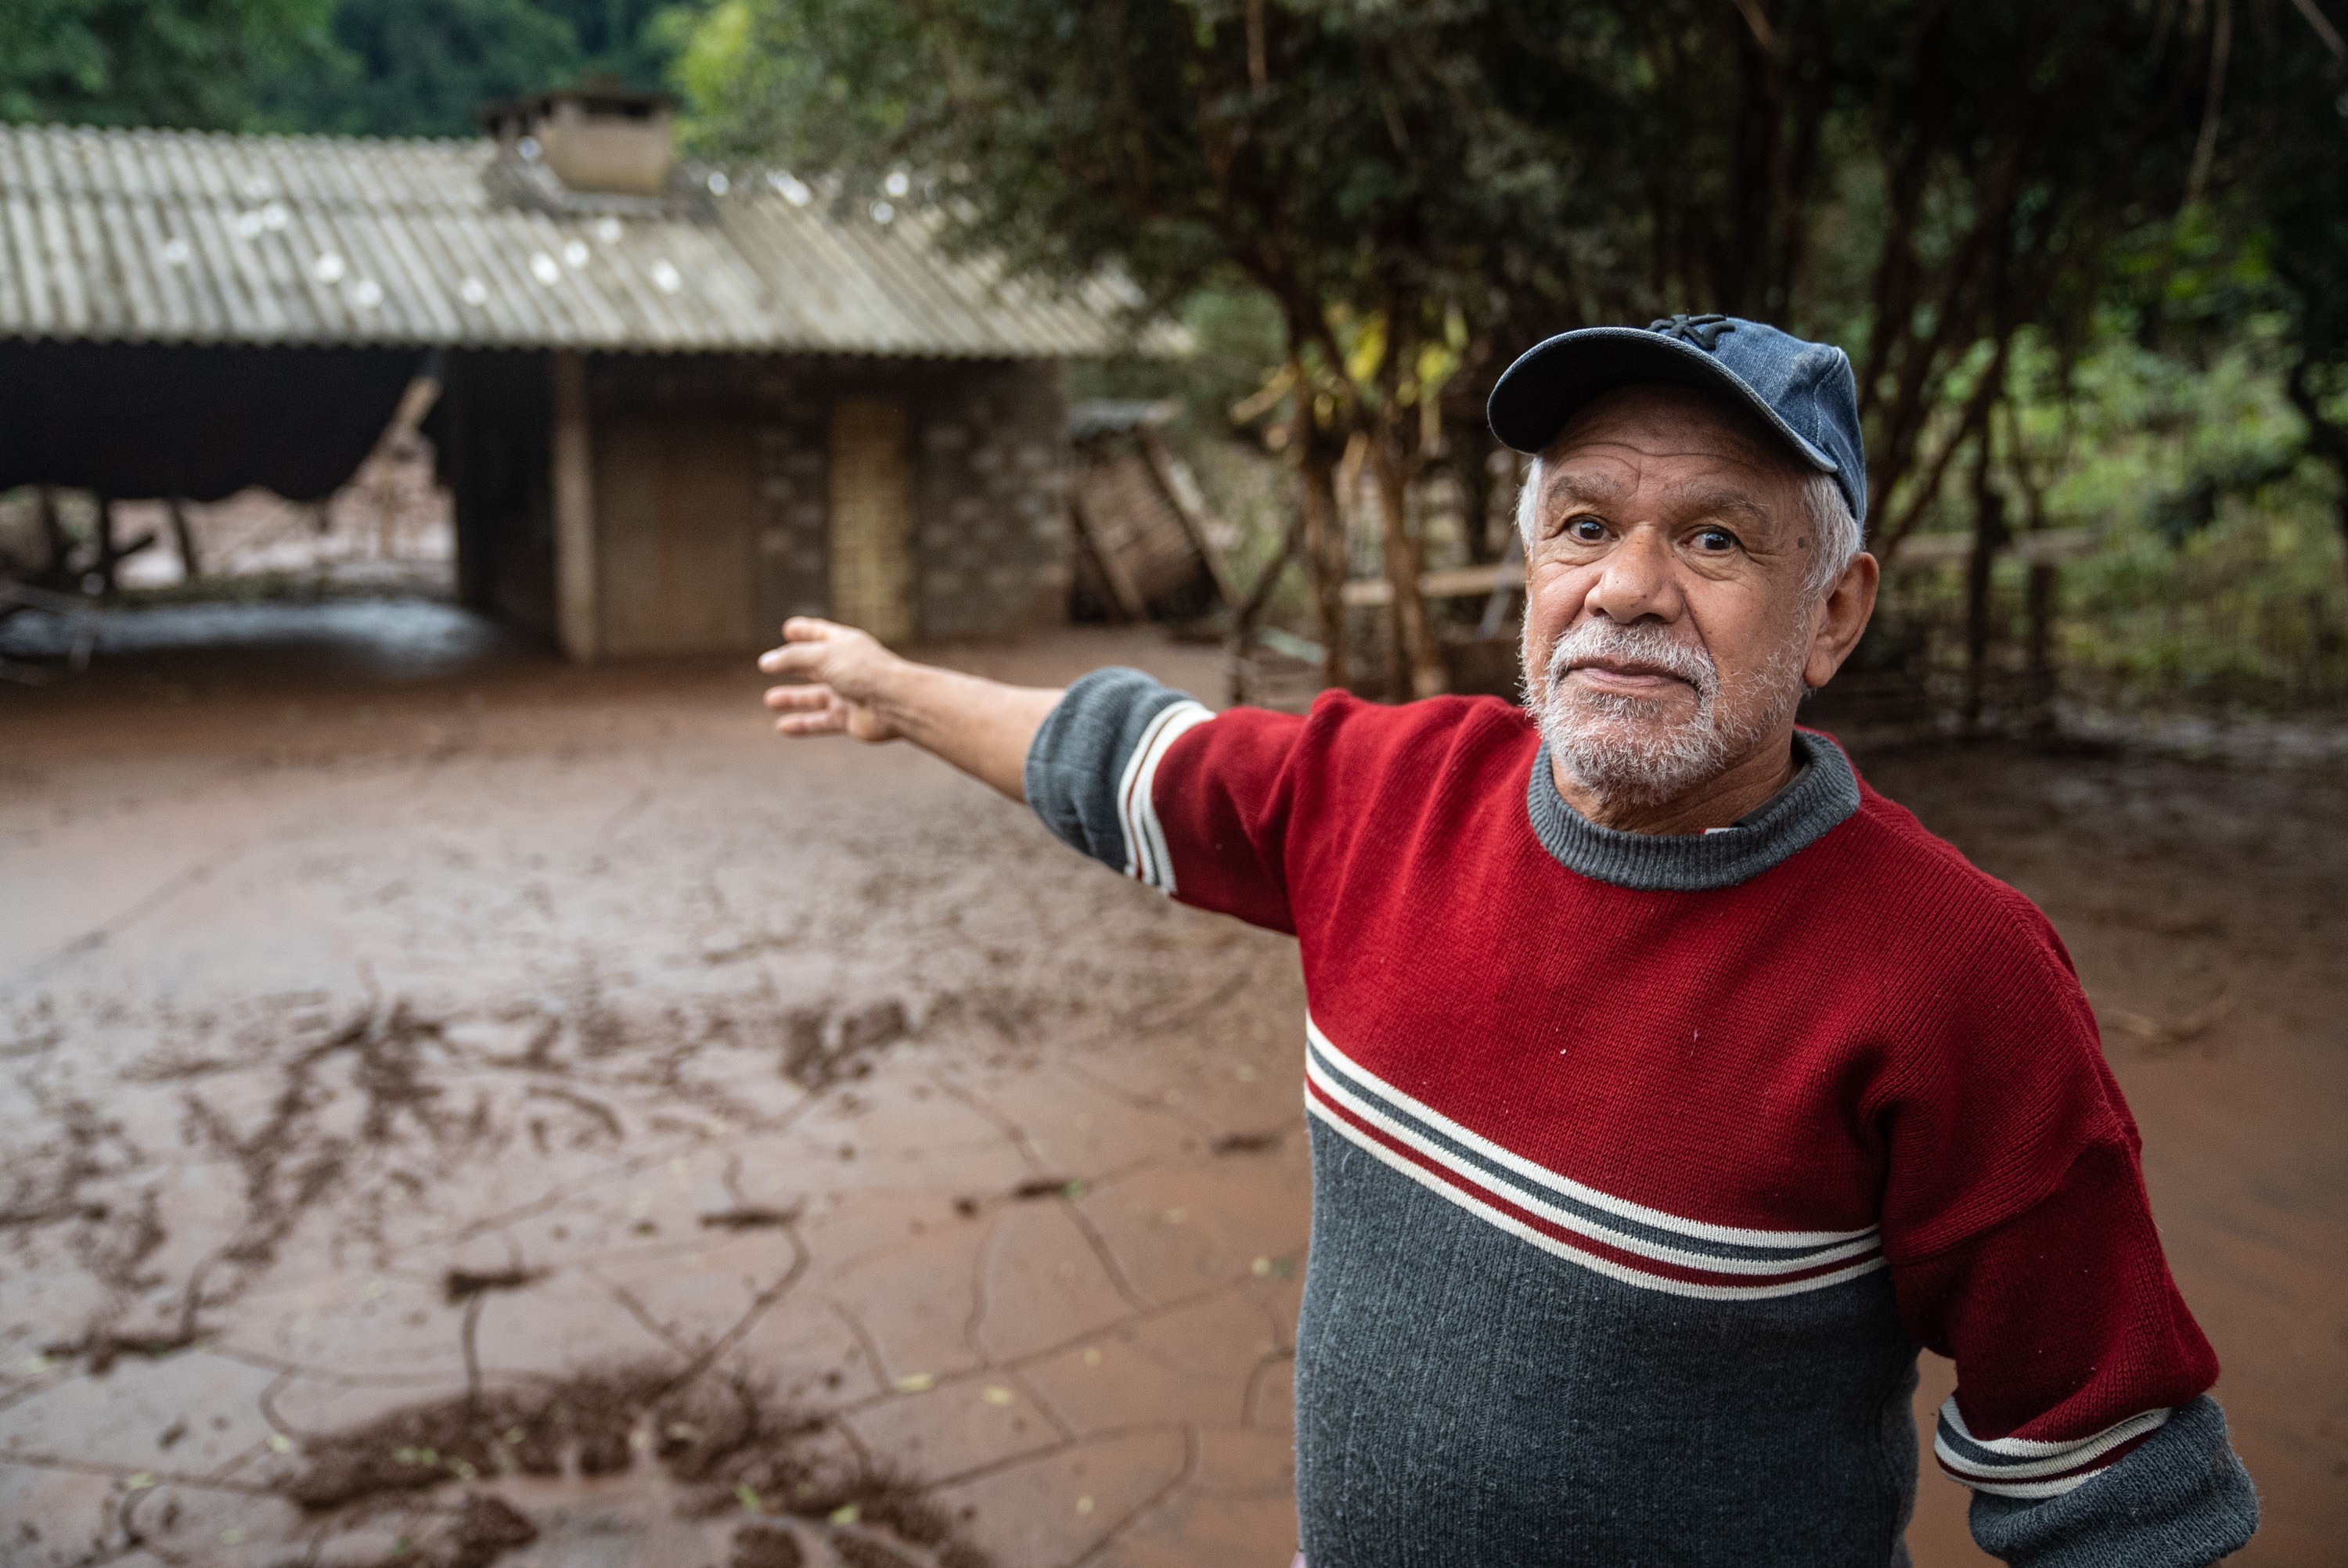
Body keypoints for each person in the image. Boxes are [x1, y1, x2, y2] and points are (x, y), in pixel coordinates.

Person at [757, 315, 2258, 1566]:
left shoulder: (1952, 977)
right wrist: (897, 694)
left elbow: (2110, 1483)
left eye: (1716, 538)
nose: (1627, 589)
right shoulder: (1389, 796)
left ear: (1833, 615)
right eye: (1586, 525)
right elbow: (1128, 761)